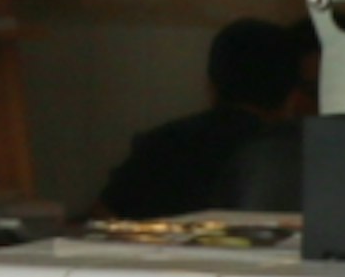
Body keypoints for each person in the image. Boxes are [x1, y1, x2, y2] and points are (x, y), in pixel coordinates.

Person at [94, 16, 315, 219]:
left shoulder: (162, 146)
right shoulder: (300, 158)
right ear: (292, 95)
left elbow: (99, 222)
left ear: (211, 85)